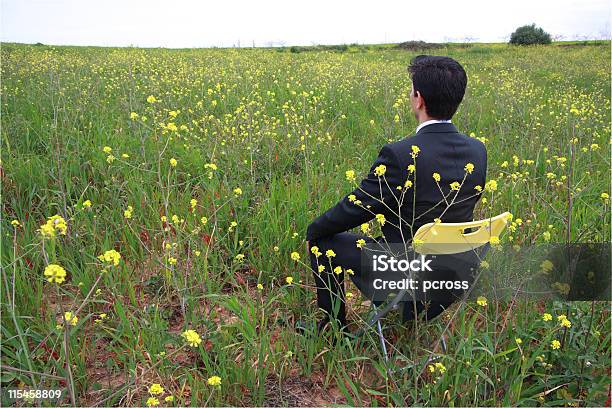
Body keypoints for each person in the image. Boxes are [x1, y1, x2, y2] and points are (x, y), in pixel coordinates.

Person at [302, 55, 487, 334]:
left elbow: (355, 209)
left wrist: (314, 229)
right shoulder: (477, 150)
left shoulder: (400, 155)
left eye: (412, 91)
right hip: (453, 282)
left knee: (324, 241)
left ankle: (332, 330)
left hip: (405, 283)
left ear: (418, 99)